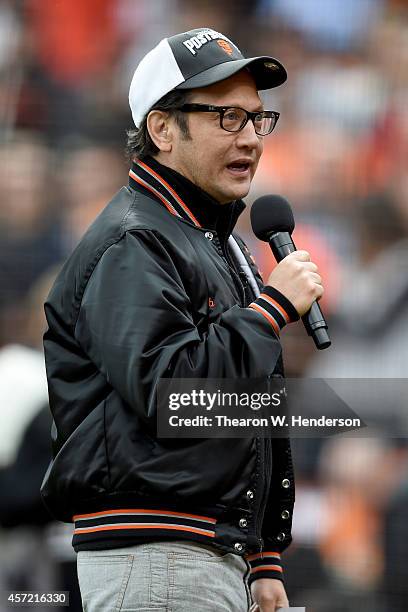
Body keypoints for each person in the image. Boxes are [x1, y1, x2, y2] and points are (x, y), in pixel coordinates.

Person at [41, 28, 323, 612]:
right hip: (157, 557)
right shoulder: (134, 240)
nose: (250, 137)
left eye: (257, 119)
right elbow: (174, 395)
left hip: (205, 553)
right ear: (163, 130)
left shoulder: (211, 240)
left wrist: (263, 553)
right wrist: (269, 312)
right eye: (226, 117)